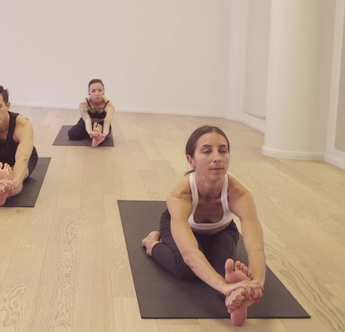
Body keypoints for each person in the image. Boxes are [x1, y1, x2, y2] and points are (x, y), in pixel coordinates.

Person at [141, 125, 266, 326]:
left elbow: (256, 247)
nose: (217, 157)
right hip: (181, 227)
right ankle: (151, 245)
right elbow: (190, 253)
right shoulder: (180, 194)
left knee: (224, 270)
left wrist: (255, 284)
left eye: (223, 150)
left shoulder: (240, 194)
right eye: (207, 151)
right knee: (185, 269)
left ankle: (235, 298)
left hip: (221, 231)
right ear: (191, 160)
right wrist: (224, 287)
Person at [67, 79, 115, 147]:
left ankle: (97, 136)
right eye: (93, 91)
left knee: (104, 135)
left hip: (101, 124)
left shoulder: (109, 106)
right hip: (86, 123)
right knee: (71, 134)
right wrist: (90, 132)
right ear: (89, 92)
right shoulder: (83, 104)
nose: (97, 94)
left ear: (103, 91)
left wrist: (104, 134)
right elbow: (87, 120)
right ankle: (94, 135)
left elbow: (107, 122)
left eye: (100, 90)